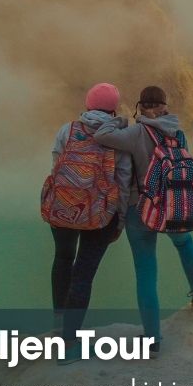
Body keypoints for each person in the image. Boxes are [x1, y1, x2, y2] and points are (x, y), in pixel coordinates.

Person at [94, 85, 193, 352]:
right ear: (165, 106)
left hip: (140, 210)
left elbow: (102, 135)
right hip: (173, 206)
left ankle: (153, 339)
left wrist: (121, 119)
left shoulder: (136, 133)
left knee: (146, 271)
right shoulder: (178, 132)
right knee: (184, 242)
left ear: (141, 106)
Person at [44, 82, 131, 355]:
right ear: (114, 107)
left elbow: (56, 164)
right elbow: (124, 180)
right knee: (83, 274)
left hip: (63, 209)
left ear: (88, 105)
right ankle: (70, 340)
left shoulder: (67, 130)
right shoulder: (120, 136)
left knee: (62, 259)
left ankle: (59, 325)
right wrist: (121, 219)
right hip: (101, 214)